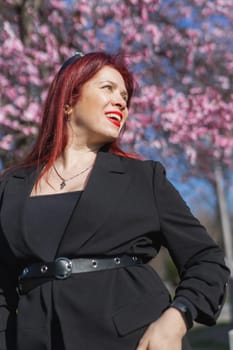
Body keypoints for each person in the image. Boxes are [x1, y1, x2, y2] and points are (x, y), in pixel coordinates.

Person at [0, 51, 230, 350]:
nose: (121, 101)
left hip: (134, 340)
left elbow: (207, 261)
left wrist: (176, 319)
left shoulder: (144, 178)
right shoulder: (9, 187)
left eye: (125, 96)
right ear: (67, 101)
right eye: (107, 88)